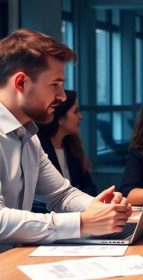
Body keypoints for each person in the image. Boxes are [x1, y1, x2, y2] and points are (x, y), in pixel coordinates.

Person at [0, 28, 131, 251]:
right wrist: (82, 223)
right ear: (21, 83)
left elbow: (61, 195)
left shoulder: (29, 138)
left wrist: (101, 208)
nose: (62, 96)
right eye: (55, 84)